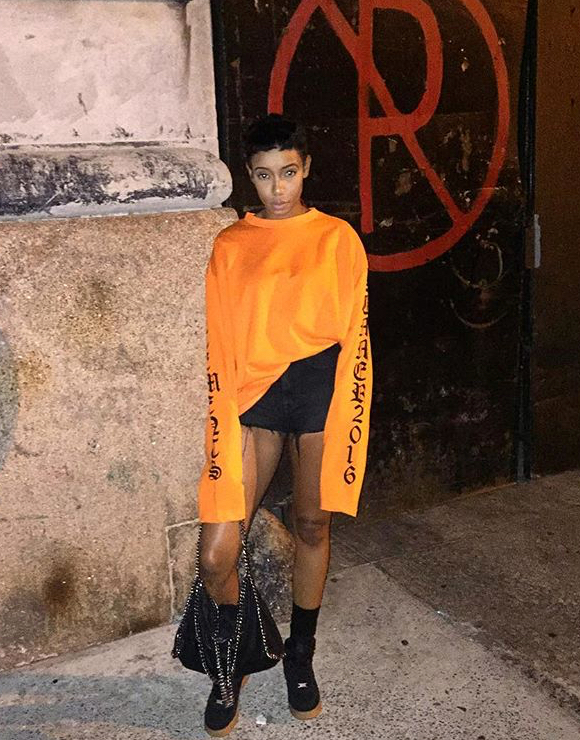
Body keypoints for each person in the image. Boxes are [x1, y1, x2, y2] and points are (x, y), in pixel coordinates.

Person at [197, 113, 372, 737]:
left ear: (306, 169)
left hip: (320, 390)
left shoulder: (337, 239)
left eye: (289, 173)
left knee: (312, 524)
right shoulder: (230, 245)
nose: (278, 188)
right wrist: (222, 411)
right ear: (249, 176)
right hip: (256, 397)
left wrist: (352, 408)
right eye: (265, 175)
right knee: (217, 552)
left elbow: (356, 336)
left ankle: (300, 654)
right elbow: (220, 340)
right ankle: (235, 655)